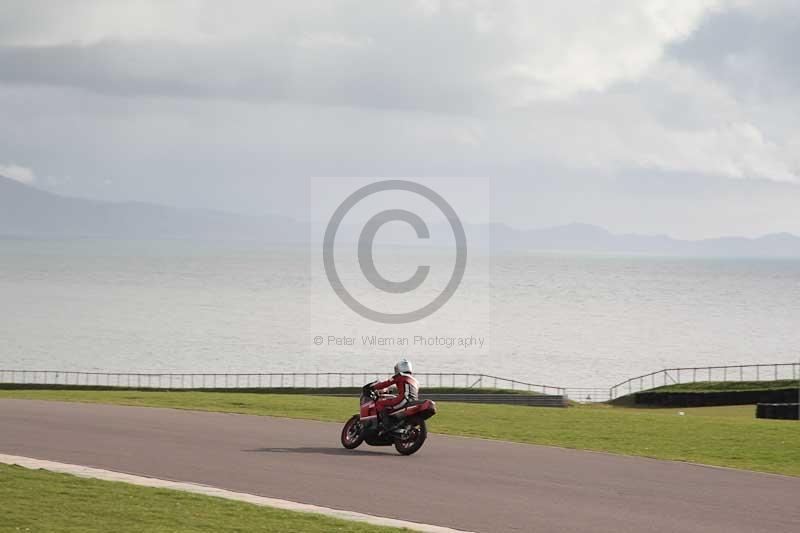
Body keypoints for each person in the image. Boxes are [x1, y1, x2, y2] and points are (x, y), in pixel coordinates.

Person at [369, 358, 419, 433]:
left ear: (399, 368)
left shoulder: (400, 375)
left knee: (379, 403)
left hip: (403, 400)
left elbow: (386, 383)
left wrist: (373, 387)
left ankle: (387, 425)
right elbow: (406, 391)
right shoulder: (415, 380)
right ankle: (395, 424)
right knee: (392, 403)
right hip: (412, 402)